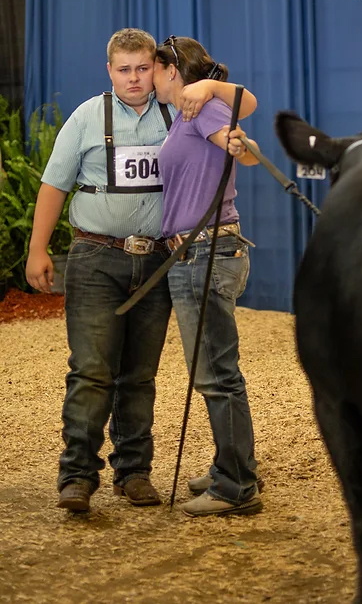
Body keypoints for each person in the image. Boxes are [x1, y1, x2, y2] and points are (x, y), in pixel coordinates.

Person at [25, 28, 257, 513]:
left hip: (159, 258)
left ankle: (134, 472)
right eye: (124, 69)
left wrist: (211, 89)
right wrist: (37, 250)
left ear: (158, 70)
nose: (134, 78)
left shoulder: (181, 108)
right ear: (109, 71)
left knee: (141, 374)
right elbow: (54, 184)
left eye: (142, 68)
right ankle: (78, 476)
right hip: (95, 257)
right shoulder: (88, 116)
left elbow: (239, 116)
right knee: (90, 369)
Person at [153, 35, 262, 517]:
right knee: (216, 371)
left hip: (205, 252)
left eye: (154, 70)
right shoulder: (186, 113)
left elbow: (241, 143)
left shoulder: (200, 110)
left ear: (169, 70)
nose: (150, 80)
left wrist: (242, 145)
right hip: (199, 253)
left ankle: (237, 486)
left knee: (217, 375)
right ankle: (230, 468)